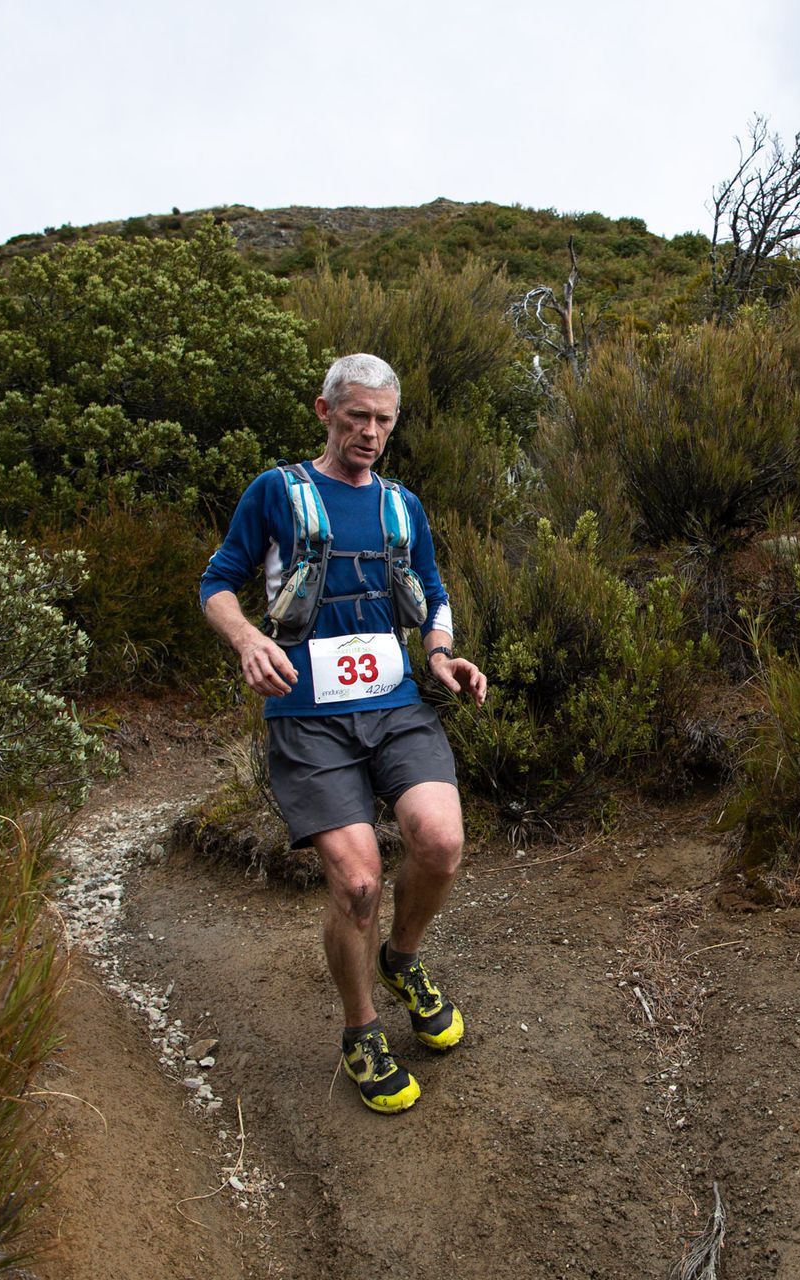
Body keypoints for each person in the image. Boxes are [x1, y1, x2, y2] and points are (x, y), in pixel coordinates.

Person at [200, 352, 488, 1114]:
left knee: (441, 842)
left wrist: (440, 656)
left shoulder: (401, 505)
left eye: (384, 420)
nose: (370, 432)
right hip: (307, 717)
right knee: (358, 883)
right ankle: (361, 1030)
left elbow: (431, 590)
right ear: (325, 412)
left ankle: (402, 958)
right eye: (357, 416)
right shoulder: (277, 492)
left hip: (395, 705)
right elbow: (217, 582)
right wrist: (246, 639)